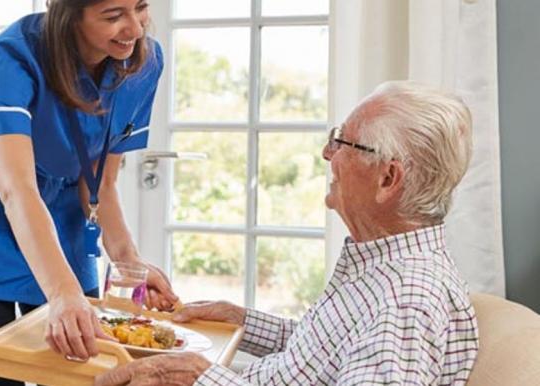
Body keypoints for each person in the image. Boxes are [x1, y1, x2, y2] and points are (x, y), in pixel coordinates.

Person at [95, 81, 480, 386]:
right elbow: (325, 354)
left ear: (388, 178)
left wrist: (196, 377)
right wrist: (241, 319)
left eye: (342, 141)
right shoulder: (387, 268)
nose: (327, 154)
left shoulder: (405, 302)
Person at [0, 1, 177, 384]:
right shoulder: (13, 55)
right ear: (69, 13)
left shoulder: (143, 62)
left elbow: (100, 179)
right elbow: (16, 189)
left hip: (59, 203)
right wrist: (62, 292)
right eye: (113, 15)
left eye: (140, 7)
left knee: (86, 371)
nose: (135, 29)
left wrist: (128, 263)